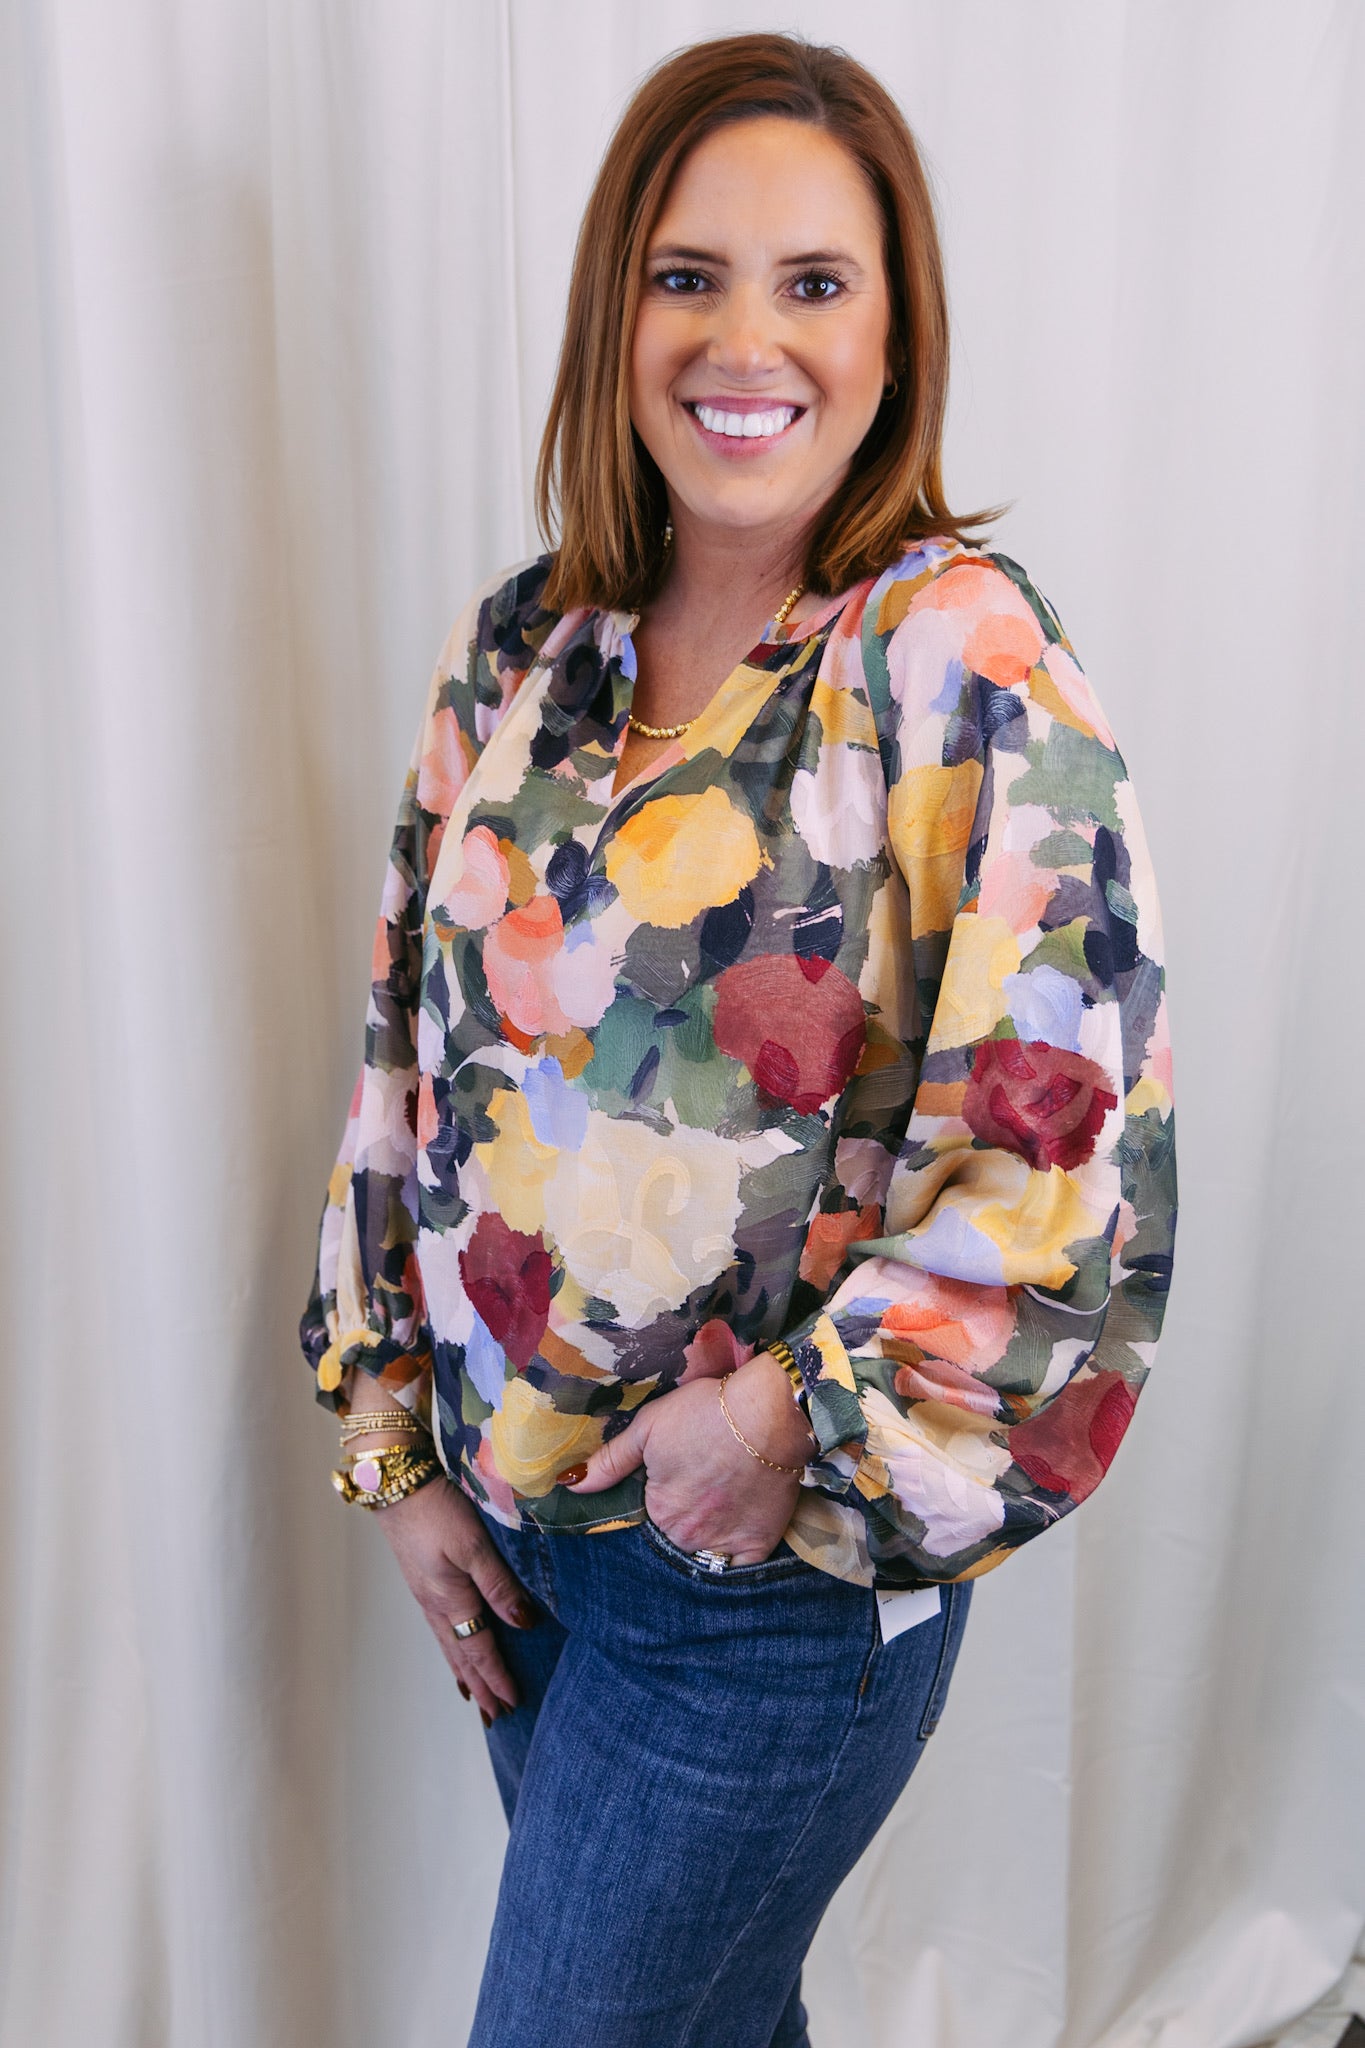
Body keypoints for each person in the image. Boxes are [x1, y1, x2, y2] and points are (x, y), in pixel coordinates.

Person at [301, 31, 1176, 2048]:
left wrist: (778, 1421)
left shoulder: (956, 660)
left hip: (766, 1599)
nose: (740, 337)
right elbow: (400, 1062)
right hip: (520, 1543)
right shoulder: (522, 646)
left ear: (892, 335)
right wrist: (388, 1440)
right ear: (617, 308)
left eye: (813, 280)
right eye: (684, 274)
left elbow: (1065, 1158)